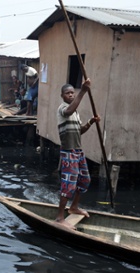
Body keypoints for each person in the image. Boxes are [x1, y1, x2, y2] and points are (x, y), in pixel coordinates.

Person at [55, 79, 100, 230]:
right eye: (68, 93)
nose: (71, 95)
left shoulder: (76, 112)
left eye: (72, 93)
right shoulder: (63, 109)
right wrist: (83, 91)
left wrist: (90, 122)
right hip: (68, 151)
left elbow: (79, 131)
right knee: (69, 185)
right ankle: (60, 217)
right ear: (62, 96)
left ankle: (73, 207)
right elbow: (69, 111)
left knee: (84, 180)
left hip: (78, 151)